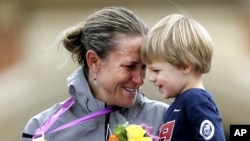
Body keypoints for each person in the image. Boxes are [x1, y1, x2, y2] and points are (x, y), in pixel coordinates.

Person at [21, 7, 169, 141]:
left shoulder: (165, 118)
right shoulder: (42, 129)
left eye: (143, 67)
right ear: (94, 61)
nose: (140, 80)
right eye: (129, 66)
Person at [140, 13, 226, 141]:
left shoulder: (196, 100)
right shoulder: (180, 104)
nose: (151, 78)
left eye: (156, 70)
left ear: (185, 66)